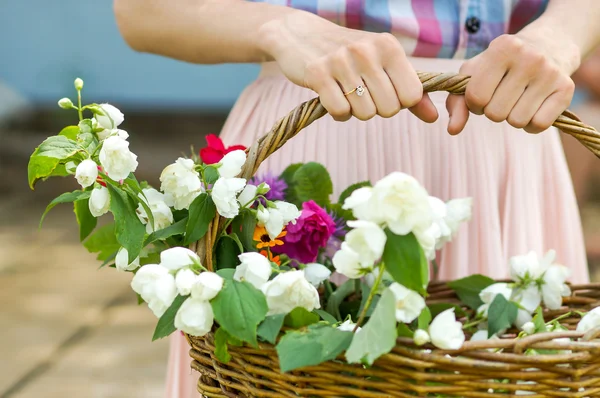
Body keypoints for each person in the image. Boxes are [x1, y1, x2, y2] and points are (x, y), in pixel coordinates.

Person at [113, 1, 600, 396]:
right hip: (320, 126)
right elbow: (143, 11)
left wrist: (557, 36)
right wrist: (281, 28)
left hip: (501, 122)